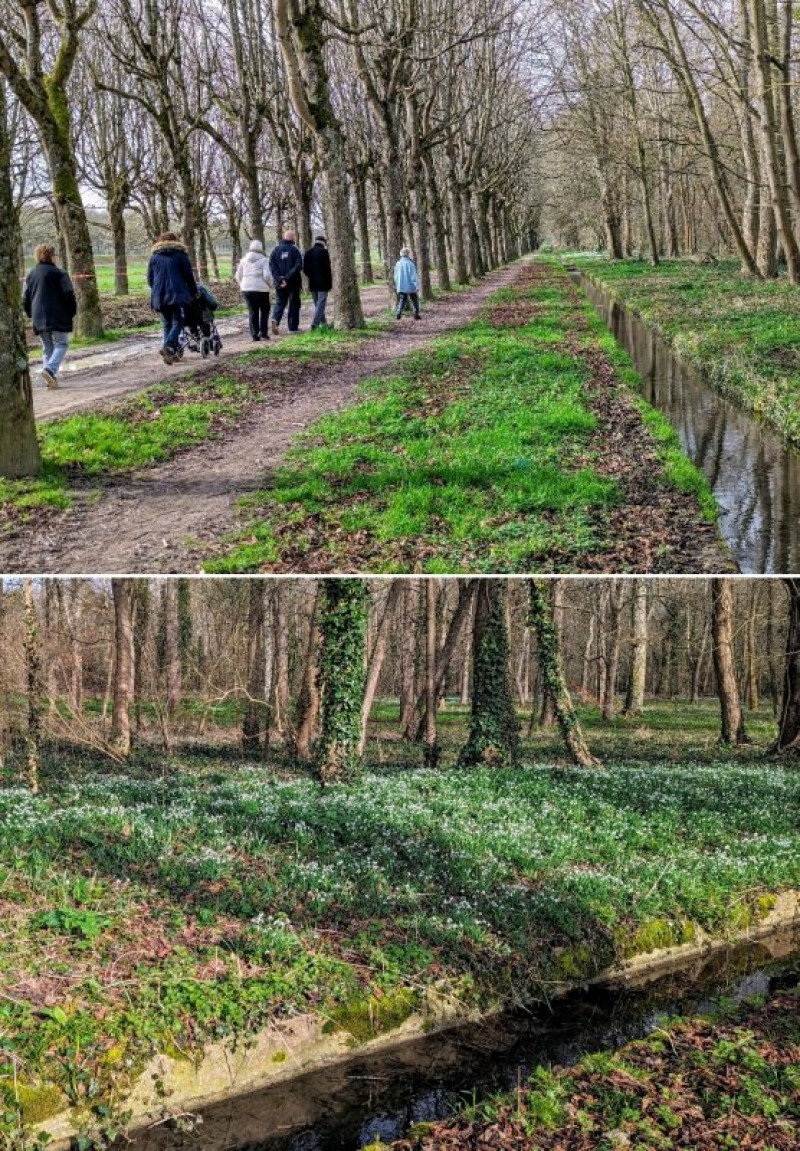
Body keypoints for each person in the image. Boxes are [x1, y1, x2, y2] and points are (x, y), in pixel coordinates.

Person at [22, 244, 77, 389]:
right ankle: (50, 370)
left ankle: (50, 379)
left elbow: (26, 298)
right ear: (52, 256)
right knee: (62, 343)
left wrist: (30, 314)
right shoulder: (60, 274)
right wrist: (71, 311)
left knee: (47, 347)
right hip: (58, 314)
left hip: (38, 315)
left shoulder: (31, 274)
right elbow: (68, 295)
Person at [146, 231, 198, 364]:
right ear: (176, 241)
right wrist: (193, 291)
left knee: (167, 323)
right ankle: (169, 345)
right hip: (176, 293)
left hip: (159, 294)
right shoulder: (180, 255)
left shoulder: (154, 257)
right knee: (178, 321)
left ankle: (170, 353)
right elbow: (188, 276)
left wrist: (157, 290)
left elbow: (150, 279)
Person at [235, 238, 274, 341]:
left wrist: (242, 285)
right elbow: (267, 275)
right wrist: (270, 285)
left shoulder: (243, 260)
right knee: (265, 310)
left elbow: (238, 275)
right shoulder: (264, 260)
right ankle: (263, 333)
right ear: (261, 249)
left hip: (247, 289)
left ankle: (254, 335)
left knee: (253, 311)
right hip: (261, 289)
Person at [269, 230, 303, 334]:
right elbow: (298, 266)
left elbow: (272, 266)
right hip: (293, 282)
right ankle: (292, 328)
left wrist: (279, 279)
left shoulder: (275, 250)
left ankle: (275, 319)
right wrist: (287, 278)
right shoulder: (295, 250)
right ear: (293, 238)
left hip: (279, 283)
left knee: (280, 302)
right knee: (294, 304)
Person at [303, 234, 333, 330]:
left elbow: (305, 269)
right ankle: (315, 323)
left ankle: (323, 323)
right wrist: (329, 283)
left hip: (312, 282)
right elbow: (327, 269)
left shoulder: (308, 253)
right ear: (324, 243)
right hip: (323, 282)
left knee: (318, 304)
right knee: (321, 303)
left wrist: (311, 276)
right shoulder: (325, 252)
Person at [394, 247, 421, 320]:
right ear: (408, 254)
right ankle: (416, 314)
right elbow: (413, 276)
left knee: (402, 300)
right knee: (415, 300)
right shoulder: (410, 263)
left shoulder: (398, 264)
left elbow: (395, 276)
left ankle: (398, 313)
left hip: (401, 286)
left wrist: (397, 284)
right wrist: (417, 286)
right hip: (410, 286)